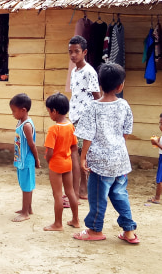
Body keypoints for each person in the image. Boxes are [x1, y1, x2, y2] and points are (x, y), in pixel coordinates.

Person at [73, 63, 139, 244]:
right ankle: (129, 232)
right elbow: (126, 132)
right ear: (120, 86)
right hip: (120, 161)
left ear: (100, 85)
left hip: (100, 163)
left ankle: (94, 230)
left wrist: (83, 157)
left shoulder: (93, 107)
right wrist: (117, 147)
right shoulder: (124, 105)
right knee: (120, 195)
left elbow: (87, 136)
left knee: (97, 198)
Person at [68, 35, 101, 201]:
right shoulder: (74, 71)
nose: (73, 55)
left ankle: (84, 188)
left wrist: (97, 119)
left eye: (77, 51)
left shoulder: (89, 72)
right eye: (70, 52)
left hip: (85, 118)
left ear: (85, 52)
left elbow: (97, 96)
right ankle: (79, 186)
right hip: (74, 117)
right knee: (76, 152)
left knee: (82, 153)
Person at [43, 93, 80, 231]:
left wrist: (47, 159)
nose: (49, 115)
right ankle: (75, 220)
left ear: (54, 111)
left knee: (57, 194)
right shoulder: (70, 126)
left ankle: (58, 224)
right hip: (68, 162)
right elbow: (74, 146)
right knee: (70, 192)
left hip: (56, 164)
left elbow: (50, 152)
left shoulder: (53, 129)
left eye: (49, 111)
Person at [9, 93, 41, 222]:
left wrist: (37, 159)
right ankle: (28, 208)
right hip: (21, 159)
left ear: (23, 110)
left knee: (26, 187)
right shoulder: (20, 121)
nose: (13, 114)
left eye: (14, 111)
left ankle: (25, 212)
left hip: (26, 160)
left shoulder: (26, 125)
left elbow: (32, 145)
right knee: (25, 185)